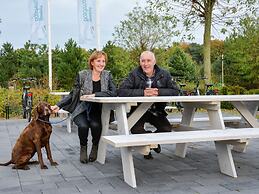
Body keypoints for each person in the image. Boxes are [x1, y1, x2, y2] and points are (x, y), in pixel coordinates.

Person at [51, 51, 117, 163]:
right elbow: (73, 94)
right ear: (92, 62)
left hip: (98, 110)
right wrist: (58, 105)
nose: (101, 64)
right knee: (83, 126)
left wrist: (95, 95)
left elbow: (114, 92)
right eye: (98, 61)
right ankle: (83, 148)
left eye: (103, 61)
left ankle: (95, 147)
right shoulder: (82, 75)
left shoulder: (107, 75)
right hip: (81, 108)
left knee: (96, 125)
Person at [118, 50, 179, 159]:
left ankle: (150, 144)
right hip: (138, 110)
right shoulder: (134, 74)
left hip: (156, 110)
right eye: (143, 61)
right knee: (135, 130)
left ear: (154, 61)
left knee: (166, 129)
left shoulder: (164, 74)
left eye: (148, 60)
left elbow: (175, 91)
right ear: (140, 62)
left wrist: (158, 92)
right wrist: (143, 92)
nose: (145, 64)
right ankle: (150, 144)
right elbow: (122, 91)